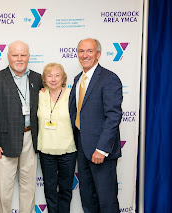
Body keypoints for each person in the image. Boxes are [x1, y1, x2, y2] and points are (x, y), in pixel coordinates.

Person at [0, 40, 43, 213]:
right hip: (4, 141)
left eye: (23, 55)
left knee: (29, 187)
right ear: (8, 57)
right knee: (4, 189)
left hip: (30, 139)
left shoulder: (37, 78)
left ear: (28, 57)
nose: (19, 59)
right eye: (15, 55)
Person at [69, 38, 123, 213]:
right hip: (82, 148)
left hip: (101, 150)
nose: (85, 55)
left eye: (90, 51)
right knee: (88, 198)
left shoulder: (109, 79)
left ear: (98, 54)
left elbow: (113, 117)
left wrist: (101, 149)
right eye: (81, 51)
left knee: (107, 201)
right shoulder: (78, 79)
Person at [37, 63, 77, 213]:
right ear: (45, 79)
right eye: (49, 75)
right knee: (50, 190)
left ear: (63, 78)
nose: (53, 79)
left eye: (57, 75)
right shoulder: (39, 95)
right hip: (46, 151)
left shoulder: (72, 94)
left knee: (66, 190)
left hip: (68, 150)